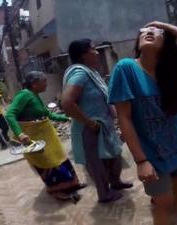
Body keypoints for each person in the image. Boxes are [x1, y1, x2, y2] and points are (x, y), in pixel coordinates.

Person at [108, 22, 177, 225]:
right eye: (144, 31)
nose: (149, 31)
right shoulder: (126, 69)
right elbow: (124, 118)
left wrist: (165, 26)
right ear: (137, 42)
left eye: (156, 31)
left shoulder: (172, 69)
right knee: (163, 201)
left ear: (167, 41)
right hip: (151, 154)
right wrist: (141, 161)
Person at [61, 39, 132, 203]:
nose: (97, 52)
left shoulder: (90, 72)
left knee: (113, 155)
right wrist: (89, 123)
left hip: (103, 125)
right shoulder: (79, 73)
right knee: (97, 162)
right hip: (91, 129)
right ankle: (104, 194)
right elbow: (66, 103)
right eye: (93, 49)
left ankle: (115, 182)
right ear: (83, 55)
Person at [5, 71, 86, 201]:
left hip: (48, 137)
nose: (46, 84)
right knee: (48, 163)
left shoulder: (35, 95)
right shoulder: (24, 95)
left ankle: (72, 184)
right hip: (34, 138)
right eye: (44, 81)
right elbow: (10, 114)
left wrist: (67, 117)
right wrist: (20, 134)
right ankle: (57, 190)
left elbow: (48, 114)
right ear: (34, 84)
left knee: (61, 159)